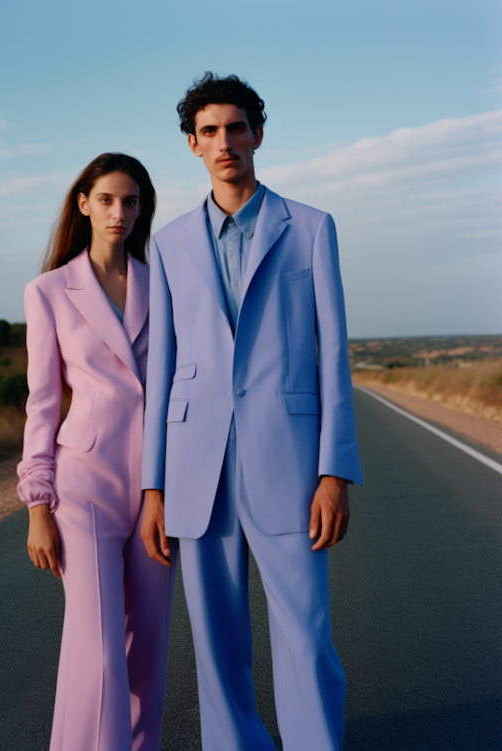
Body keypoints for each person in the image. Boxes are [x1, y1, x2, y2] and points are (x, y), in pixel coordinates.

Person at [140, 73, 363, 750]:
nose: (225, 142)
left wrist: (335, 471)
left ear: (257, 134)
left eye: (236, 127)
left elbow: (333, 356)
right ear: (192, 144)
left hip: (291, 465)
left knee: (305, 632)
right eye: (209, 131)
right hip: (195, 466)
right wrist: (154, 486)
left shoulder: (312, 229)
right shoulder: (170, 242)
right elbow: (163, 368)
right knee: (216, 645)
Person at [17, 153, 176, 751]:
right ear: (83, 203)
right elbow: (42, 402)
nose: (119, 212)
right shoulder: (50, 291)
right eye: (107, 199)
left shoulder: (162, 285)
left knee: (148, 654)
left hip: (156, 489)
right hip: (82, 485)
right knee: (102, 652)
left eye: (131, 202)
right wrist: (37, 504)